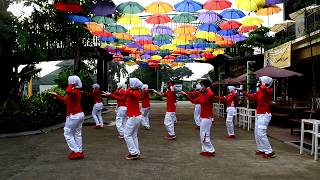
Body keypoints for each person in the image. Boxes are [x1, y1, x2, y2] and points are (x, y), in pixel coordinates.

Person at [105, 78, 143, 160]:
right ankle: (136, 152)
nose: (128, 84)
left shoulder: (135, 92)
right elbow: (121, 99)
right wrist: (110, 95)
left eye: (129, 83)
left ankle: (133, 153)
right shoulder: (134, 92)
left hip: (134, 117)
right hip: (135, 116)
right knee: (133, 135)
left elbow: (125, 93)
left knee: (126, 134)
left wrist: (125, 88)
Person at [50, 75, 85, 160]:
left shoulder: (73, 91)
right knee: (77, 133)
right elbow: (66, 101)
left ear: (72, 82)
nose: (68, 82)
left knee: (67, 132)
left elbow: (68, 90)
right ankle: (79, 151)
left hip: (74, 115)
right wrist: (57, 96)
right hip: (79, 114)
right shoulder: (76, 91)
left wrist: (72, 84)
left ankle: (76, 151)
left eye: (69, 81)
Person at [241, 76, 275, 158]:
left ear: (265, 82)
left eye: (260, 81)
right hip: (259, 114)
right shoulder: (260, 91)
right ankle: (261, 149)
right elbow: (251, 96)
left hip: (265, 115)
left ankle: (269, 151)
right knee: (257, 133)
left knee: (261, 133)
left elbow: (264, 88)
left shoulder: (268, 91)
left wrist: (263, 83)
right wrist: (242, 91)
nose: (258, 83)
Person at [182, 79, 216, 157]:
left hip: (207, 118)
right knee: (202, 134)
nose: (201, 88)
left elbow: (211, 95)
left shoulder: (209, 94)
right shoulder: (202, 95)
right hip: (203, 117)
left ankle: (210, 150)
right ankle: (206, 149)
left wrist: (208, 88)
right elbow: (194, 101)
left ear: (206, 87)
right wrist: (186, 95)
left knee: (205, 134)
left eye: (202, 86)